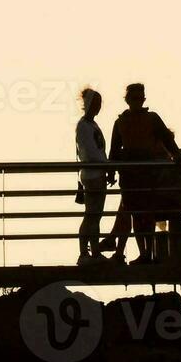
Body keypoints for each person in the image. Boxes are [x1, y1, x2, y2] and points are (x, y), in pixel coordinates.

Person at [102, 83, 181, 264]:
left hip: (147, 174)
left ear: (143, 99)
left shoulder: (152, 119)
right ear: (128, 100)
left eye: (139, 98)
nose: (137, 102)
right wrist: (111, 172)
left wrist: (176, 154)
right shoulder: (120, 122)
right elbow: (114, 151)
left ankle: (146, 253)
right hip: (130, 174)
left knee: (147, 214)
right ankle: (144, 253)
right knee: (136, 215)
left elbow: (167, 139)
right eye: (134, 98)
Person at [74, 88, 111, 265]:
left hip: (98, 173)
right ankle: (88, 253)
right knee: (92, 215)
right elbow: (90, 152)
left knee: (94, 215)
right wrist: (107, 165)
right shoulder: (83, 126)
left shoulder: (91, 125)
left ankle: (90, 252)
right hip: (92, 174)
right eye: (95, 103)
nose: (98, 107)